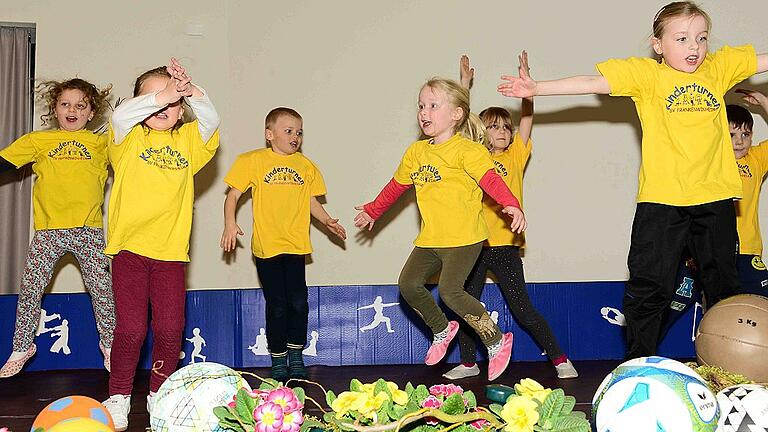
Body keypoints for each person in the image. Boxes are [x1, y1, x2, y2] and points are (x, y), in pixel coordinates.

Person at [497, 1, 768, 359]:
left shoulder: (718, 68)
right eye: (683, 38)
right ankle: (640, 362)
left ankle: (727, 365)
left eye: (701, 39)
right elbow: (593, 82)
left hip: (715, 199)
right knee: (650, 286)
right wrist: (538, 88)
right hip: (662, 202)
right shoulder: (647, 75)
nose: (694, 47)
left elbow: (762, 60)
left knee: (722, 285)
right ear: (659, 45)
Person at [354, 78, 526, 381]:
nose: (424, 112)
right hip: (431, 237)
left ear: (456, 114)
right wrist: (373, 210)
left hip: (465, 237)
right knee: (408, 284)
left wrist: (511, 204)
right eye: (421, 106)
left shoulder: (467, 151)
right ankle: (441, 328)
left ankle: (496, 340)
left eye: (433, 106)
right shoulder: (416, 152)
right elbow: (396, 187)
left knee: (449, 291)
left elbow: (491, 180)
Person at [102, 58, 220, 431]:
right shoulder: (126, 137)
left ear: (182, 110)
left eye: (172, 103)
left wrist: (191, 90)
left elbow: (211, 120)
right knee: (132, 329)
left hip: (170, 254)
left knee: (171, 330)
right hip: (130, 250)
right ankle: (119, 396)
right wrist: (165, 93)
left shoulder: (188, 142)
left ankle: (159, 395)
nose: (163, 107)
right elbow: (121, 116)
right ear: (139, 104)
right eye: (153, 100)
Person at [444, 55, 577, 380]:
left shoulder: (516, 154)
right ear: (482, 133)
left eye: (506, 126)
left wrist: (527, 84)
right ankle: (468, 361)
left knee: (523, 308)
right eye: (493, 126)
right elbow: (459, 123)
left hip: (504, 245)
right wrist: (464, 84)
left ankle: (560, 359)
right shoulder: (473, 157)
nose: (502, 131)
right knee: (466, 304)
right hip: (473, 244)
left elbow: (527, 117)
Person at [221, 107, 346, 381]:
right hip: (267, 246)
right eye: (288, 131)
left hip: (296, 245)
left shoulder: (305, 165)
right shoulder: (252, 160)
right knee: (277, 304)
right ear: (269, 134)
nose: (295, 137)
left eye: (299, 132)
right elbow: (233, 196)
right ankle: (278, 357)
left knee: (299, 302)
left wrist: (327, 222)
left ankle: (296, 354)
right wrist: (230, 223)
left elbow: (310, 200)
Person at [0, 78, 114, 377]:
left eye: (80, 105)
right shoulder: (39, 141)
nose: (72, 110)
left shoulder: (101, 143)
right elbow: (5, 162)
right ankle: (23, 345)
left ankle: (111, 345)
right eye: (65, 104)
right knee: (30, 288)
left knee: (102, 289)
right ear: (55, 108)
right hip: (49, 230)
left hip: (88, 229)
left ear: (91, 113)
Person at [665, 91, 768, 329]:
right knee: (672, 306)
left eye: (745, 134)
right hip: (704, 251)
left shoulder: (755, 160)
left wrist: (763, 102)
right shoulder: (706, 160)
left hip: (746, 251)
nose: (740, 140)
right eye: (732, 134)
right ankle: (638, 355)